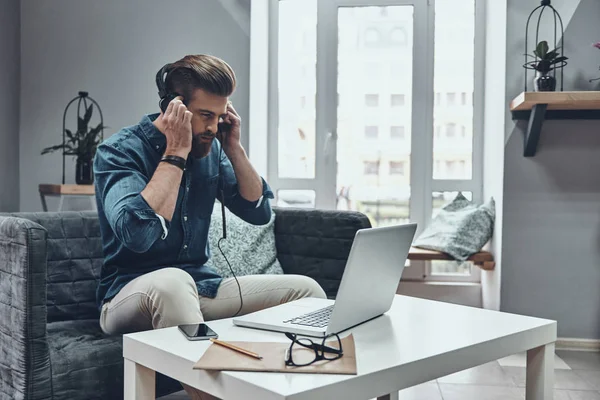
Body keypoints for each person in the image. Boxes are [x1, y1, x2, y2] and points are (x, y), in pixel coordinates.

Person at [93, 54, 326, 400]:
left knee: (306, 291)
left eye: (220, 116)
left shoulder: (213, 149)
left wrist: (234, 149)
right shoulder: (118, 153)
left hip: (202, 291)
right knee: (174, 281)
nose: (213, 128)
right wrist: (175, 152)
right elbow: (139, 235)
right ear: (175, 107)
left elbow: (259, 211)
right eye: (205, 116)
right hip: (127, 298)